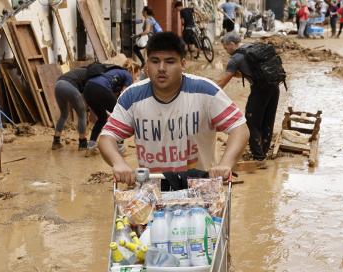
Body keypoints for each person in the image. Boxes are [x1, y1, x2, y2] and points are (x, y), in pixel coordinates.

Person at [98, 32, 248, 183]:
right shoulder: (131, 97)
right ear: (146, 65)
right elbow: (107, 137)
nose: (161, 68)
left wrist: (225, 164)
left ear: (183, 64)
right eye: (155, 61)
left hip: (201, 189)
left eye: (170, 62)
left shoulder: (206, 91)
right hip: (152, 191)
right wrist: (119, 163)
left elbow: (239, 128)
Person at [216, 33, 281, 162]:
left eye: (225, 48)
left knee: (252, 122)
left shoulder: (235, 58)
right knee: (268, 119)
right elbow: (250, 72)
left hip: (259, 90)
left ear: (232, 44)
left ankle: (258, 157)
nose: (226, 51)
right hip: (274, 86)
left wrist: (208, 93)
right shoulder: (252, 47)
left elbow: (221, 83)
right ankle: (264, 149)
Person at [83, 56, 134, 151]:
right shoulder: (128, 74)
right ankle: (120, 148)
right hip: (100, 88)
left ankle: (91, 145)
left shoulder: (113, 72)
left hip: (88, 88)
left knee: (102, 118)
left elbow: (111, 94)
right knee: (120, 116)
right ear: (134, 70)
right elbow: (124, 94)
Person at [52, 66, 89, 150]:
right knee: (82, 114)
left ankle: (56, 142)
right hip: (69, 87)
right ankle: (83, 143)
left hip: (58, 86)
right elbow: (86, 93)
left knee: (64, 114)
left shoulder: (77, 71)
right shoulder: (90, 74)